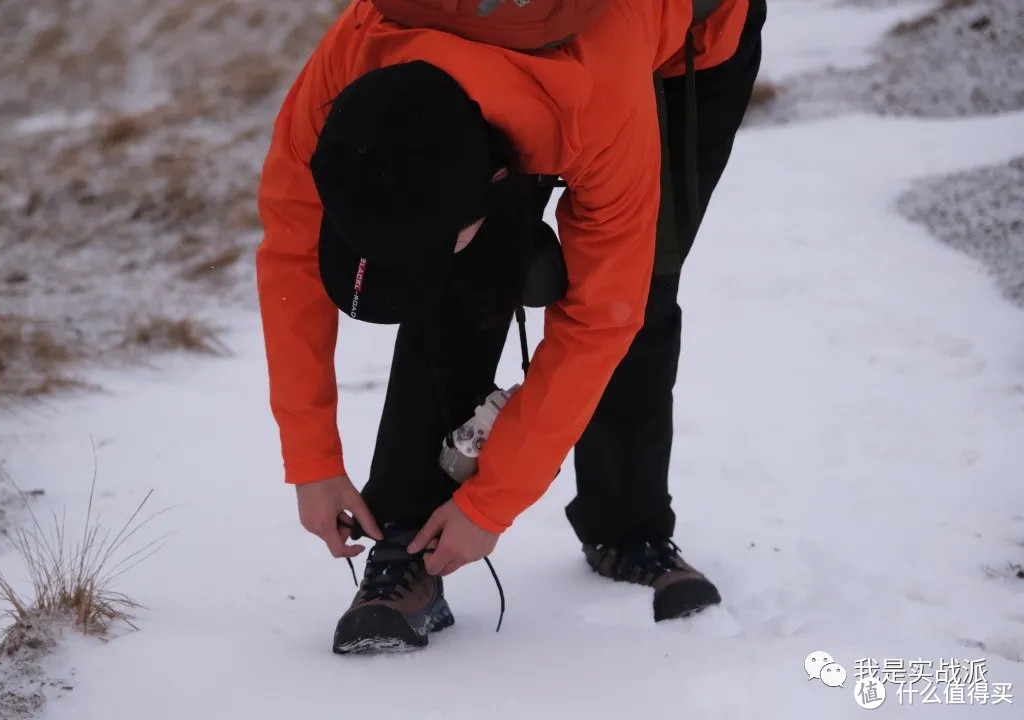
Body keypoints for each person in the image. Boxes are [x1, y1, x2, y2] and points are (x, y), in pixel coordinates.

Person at [256, 0, 766, 654]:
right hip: (511, 69)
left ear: (498, 181)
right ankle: (406, 536)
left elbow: (602, 318)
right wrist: (312, 459)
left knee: (641, 282)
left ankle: (626, 527)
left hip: (684, 41)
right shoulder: (350, 63)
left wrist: (490, 504)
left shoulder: (600, 111)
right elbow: (291, 251)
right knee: (460, 277)